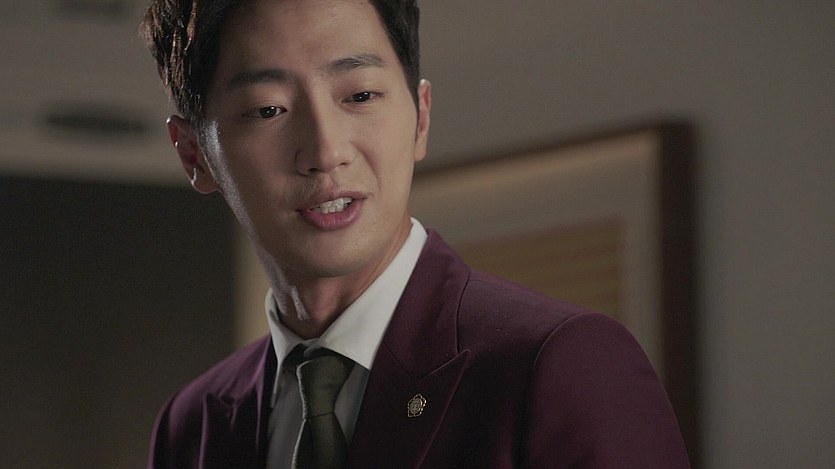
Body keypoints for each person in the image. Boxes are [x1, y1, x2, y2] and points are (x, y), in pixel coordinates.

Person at [141, 0, 691, 467]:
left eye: (360, 96)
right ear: (194, 155)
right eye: (268, 109)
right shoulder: (193, 426)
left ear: (421, 117)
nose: (327, 151)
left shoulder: (563, 365)